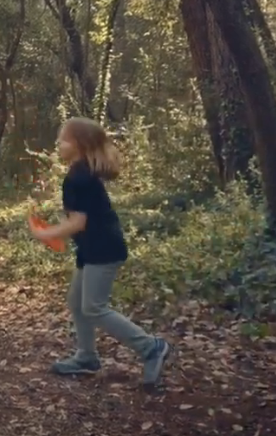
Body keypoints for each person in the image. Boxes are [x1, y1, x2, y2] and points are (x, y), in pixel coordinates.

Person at [29, 116, 171, 386]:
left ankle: (151, 348)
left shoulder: (78, 177)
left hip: (102, 249)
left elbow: (77, 222)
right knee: (76, 301)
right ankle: (86, 357)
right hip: (93, 247)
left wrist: (44, 233)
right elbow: (82, 219)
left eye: (64, 139)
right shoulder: (82, 172)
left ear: (79, 144)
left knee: (94, 307)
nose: (58, 143)